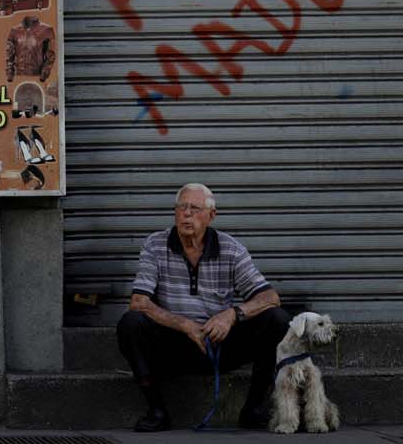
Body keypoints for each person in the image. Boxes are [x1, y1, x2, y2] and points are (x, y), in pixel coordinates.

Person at [116, 183, 291, 432]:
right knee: (130, 323)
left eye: (195, 208)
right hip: (174, 345)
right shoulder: (155, 245)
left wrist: (232, 315)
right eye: (182, 208)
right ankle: (157, 410)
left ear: (211, 215)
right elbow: (139, 303)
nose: (187, 214)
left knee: (278, 320)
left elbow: (270, 297)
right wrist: (184, 324)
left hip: (220, 344)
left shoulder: (231, 248)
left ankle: (253, 409)